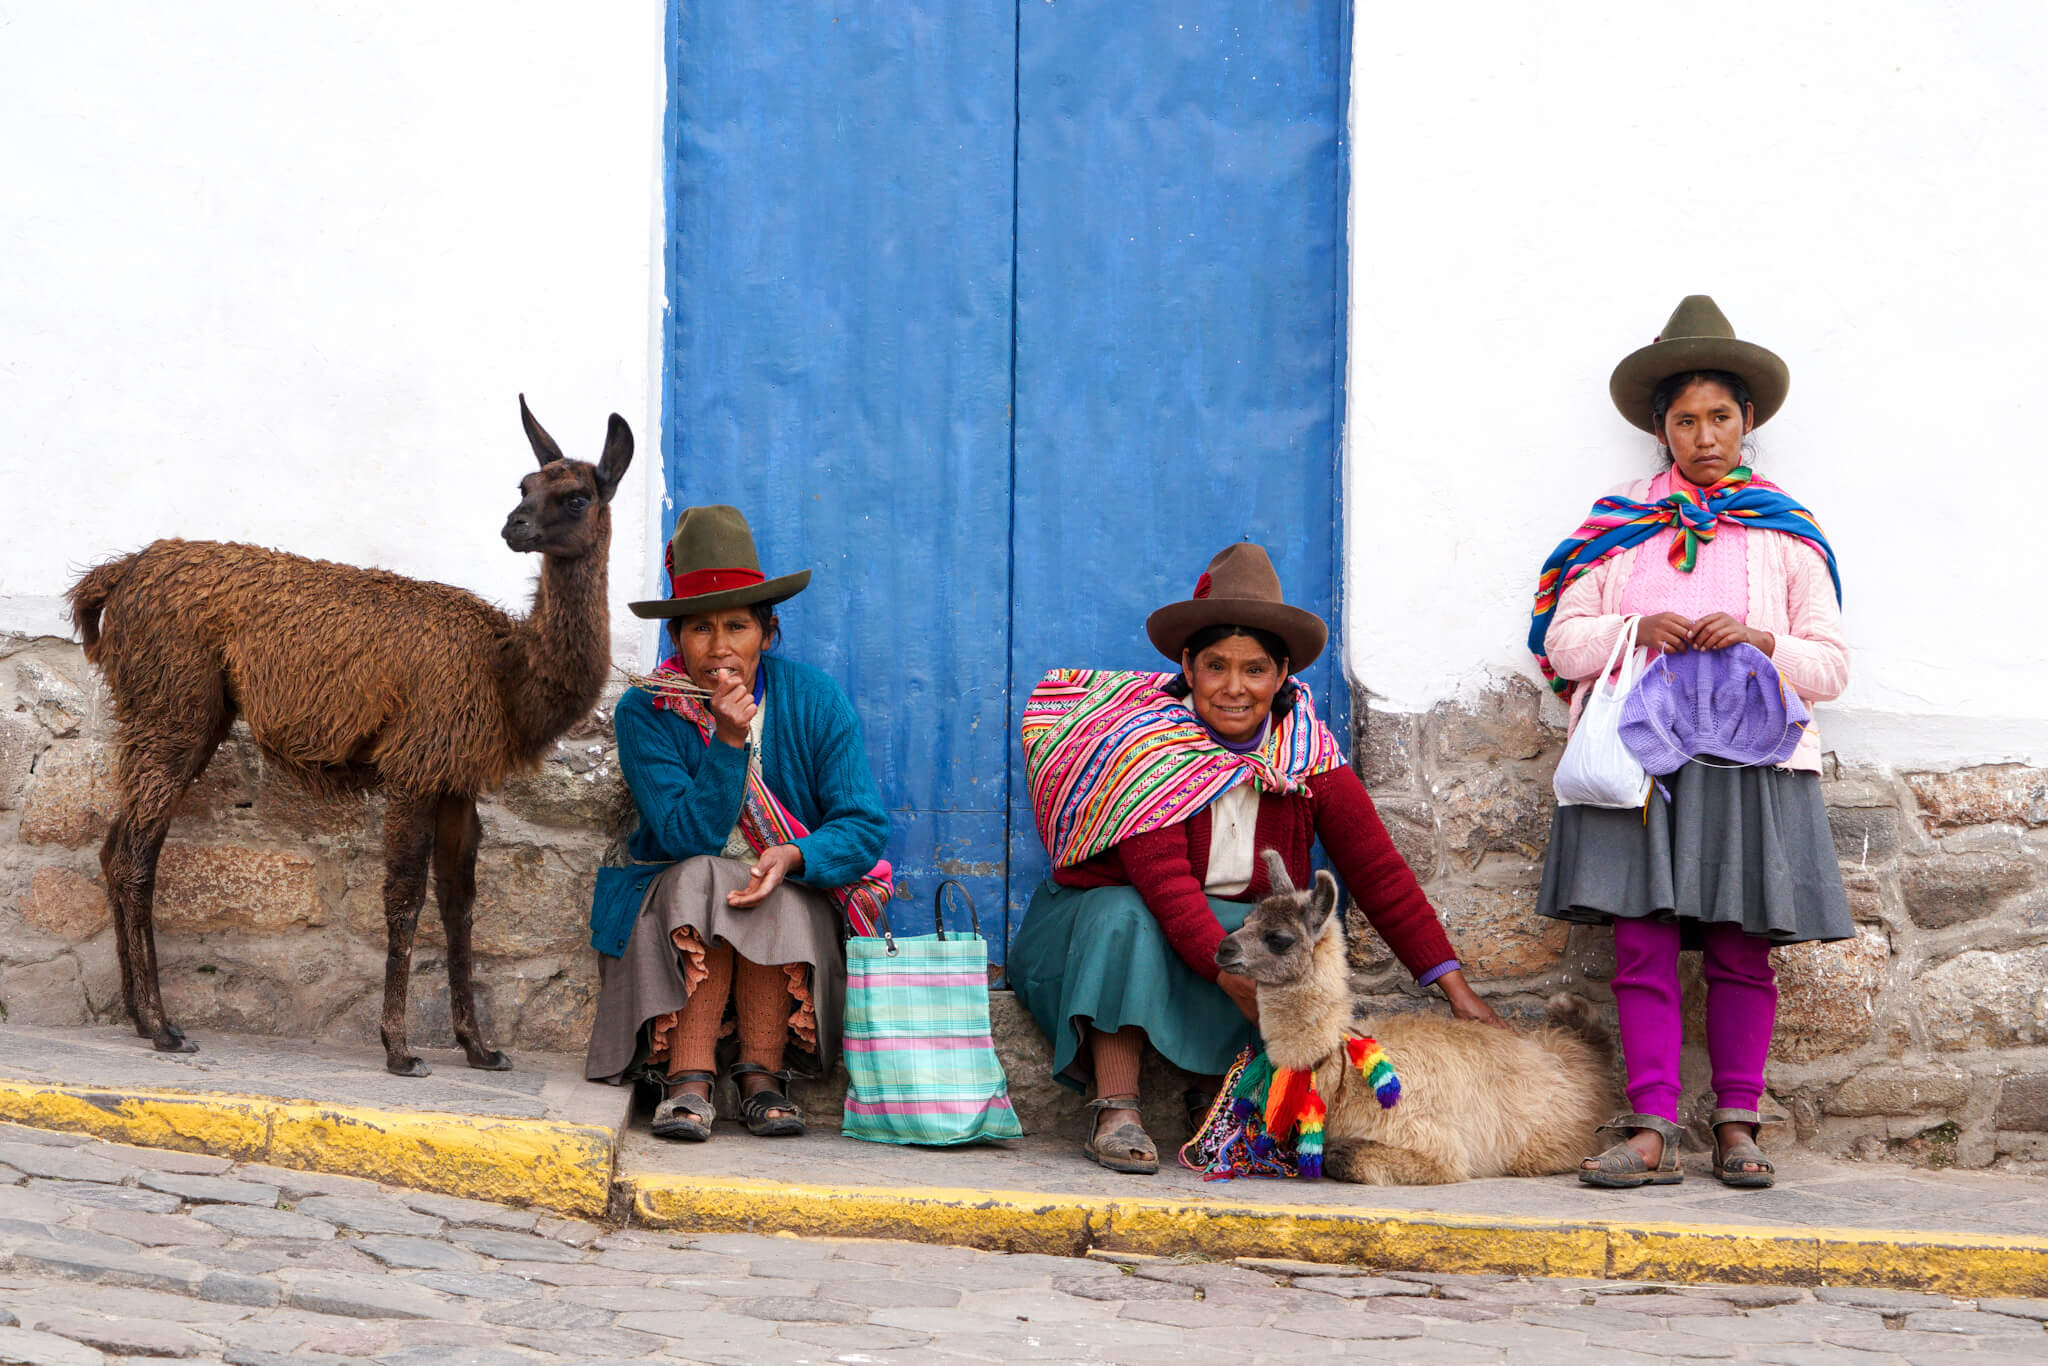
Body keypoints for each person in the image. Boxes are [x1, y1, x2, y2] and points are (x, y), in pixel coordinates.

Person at [1010, 543, 1500, 1174]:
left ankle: (1218, 1101)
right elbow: (1168, 890)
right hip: (1097, 933)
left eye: (1255, 670)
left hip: (1214, 932)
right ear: (1187, 666)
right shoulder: (1146, 747)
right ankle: (1117, 1106)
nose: (1234, 688)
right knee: (1124, 914)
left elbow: (1379, 873)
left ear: (1283, 673)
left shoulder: (1307, 755)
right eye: (1215, 666)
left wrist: (1457, 991)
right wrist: (1230, 978)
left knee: (1278, 937)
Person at [1530, 296, 1850, 1190]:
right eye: (1685, 420)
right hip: (1645, 765)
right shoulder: (1616, 529)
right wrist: (1639, 627)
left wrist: (1760, 642)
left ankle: (1738, 1124)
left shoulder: (1785, 536)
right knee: (1643, 941)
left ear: (1747, 424)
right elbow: (1561, 643)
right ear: (1661, 429)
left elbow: (1829, 666)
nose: (1703, 435)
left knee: (1744, 948)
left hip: (1751, 767)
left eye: (1720, 417)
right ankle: (1652, 1129)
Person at [585, 505, 890, 1141]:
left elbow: (861, 825)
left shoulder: (813, 698)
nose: (719, 647)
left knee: (769, 877)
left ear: (767, 632)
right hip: (674, 899)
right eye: (699, 628)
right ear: (677, 641)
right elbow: (682, 835)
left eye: (737, 626)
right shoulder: (649, 710)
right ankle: (688, 1077)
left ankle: (763, 1076)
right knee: (704, 872)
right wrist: (727, 743)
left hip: (785, 899)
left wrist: (795, 857)